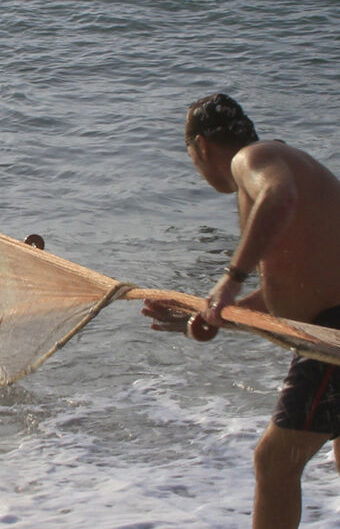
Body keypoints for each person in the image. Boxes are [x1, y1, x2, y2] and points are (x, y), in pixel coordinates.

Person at [141, 93, 340, 529]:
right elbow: (286, 290)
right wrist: (211, 315)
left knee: (274, 465)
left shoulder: (254, 158)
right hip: (329, 328)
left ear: (202, 147)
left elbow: (280, 196)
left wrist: (231, 279)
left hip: (332, 332)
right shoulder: (285, 159)